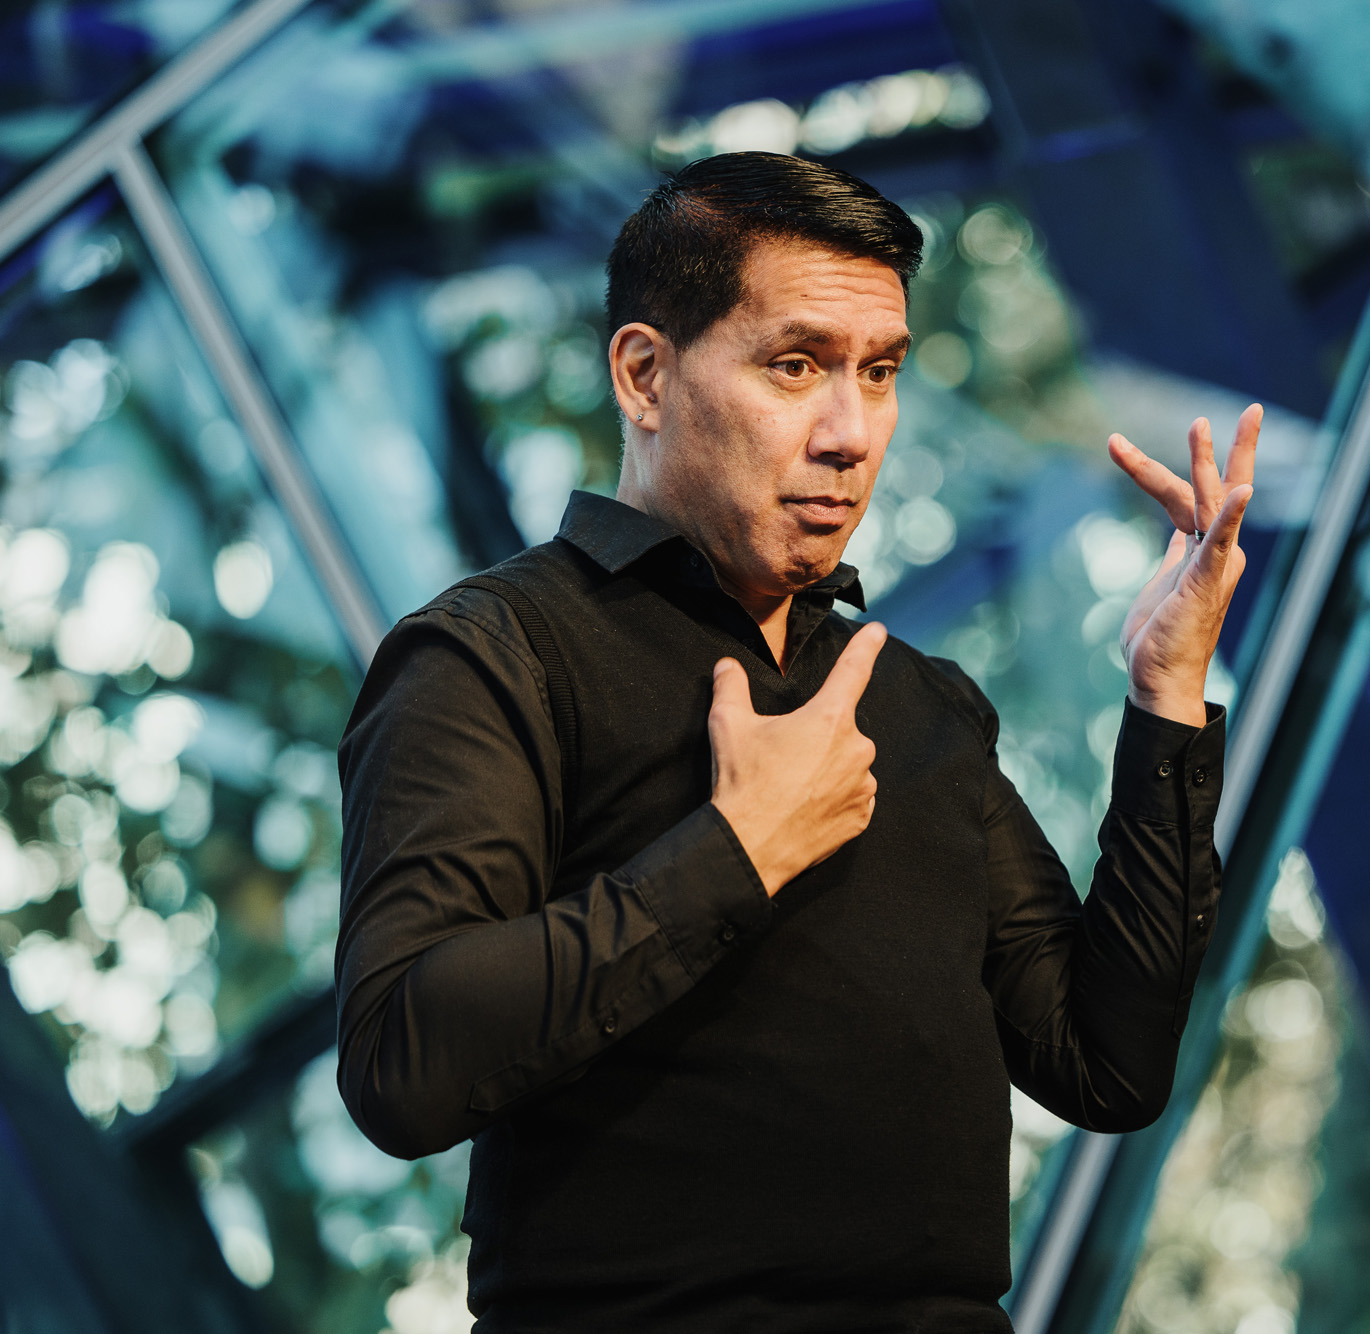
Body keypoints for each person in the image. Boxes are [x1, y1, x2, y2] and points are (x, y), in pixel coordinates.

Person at [335, 151, 1259, 1331]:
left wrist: (1167, 694)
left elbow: (1106, 1061)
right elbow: (401, 1064)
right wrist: (734, 851)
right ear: (643, 374)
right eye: (794, 365)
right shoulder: (492, 652)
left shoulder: (920, 701)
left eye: (879, 373)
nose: (849, 431)